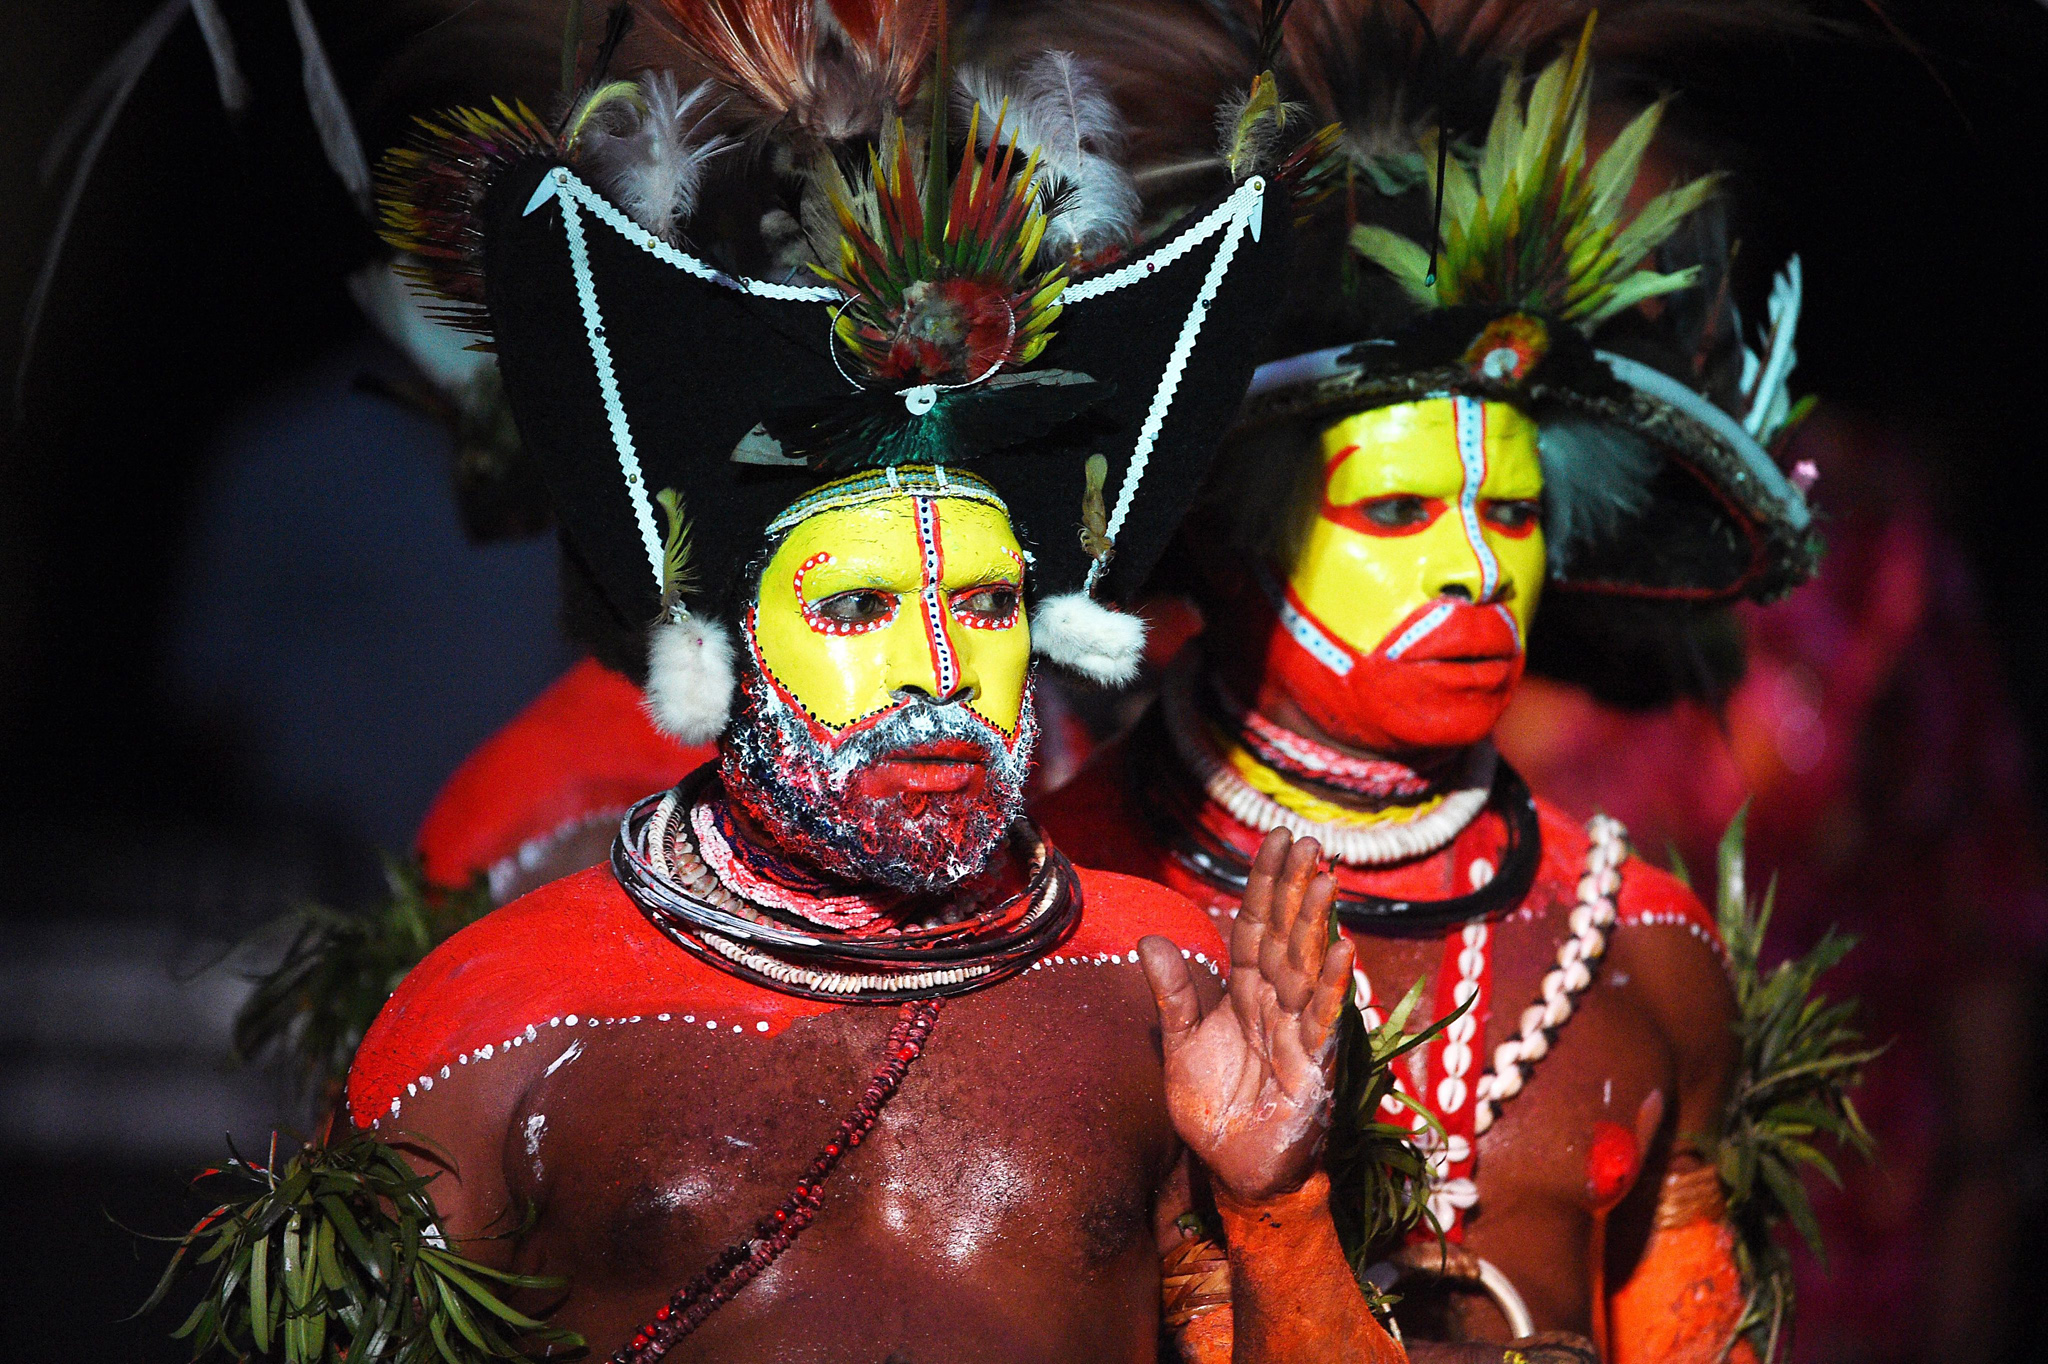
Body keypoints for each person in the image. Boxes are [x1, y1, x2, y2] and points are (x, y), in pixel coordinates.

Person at [333, 3, 1408, 1358]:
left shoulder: (1176, 996)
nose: (941, 675)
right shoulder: (493, 1026)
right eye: (855, 608)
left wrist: (1279, 1212)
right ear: (723, 645)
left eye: (989, 604)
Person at [1036, 10, 1823, 1360]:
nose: (1477, 569)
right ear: (1226, 542)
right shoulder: (1064, 926)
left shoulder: (1639, 944)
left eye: (1511, 514)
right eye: (1397, 511)